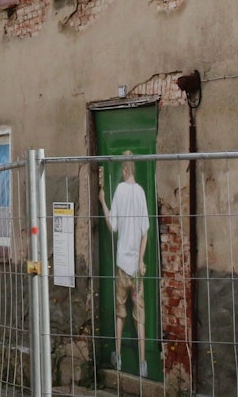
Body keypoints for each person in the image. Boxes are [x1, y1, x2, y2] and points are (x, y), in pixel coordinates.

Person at [98, 154, 151, 377]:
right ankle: (143, 361)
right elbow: (145, 231)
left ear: (126, 170)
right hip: (136, 269)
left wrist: (102, 202)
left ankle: (118, 356)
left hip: (122, 265)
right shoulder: (140, 192)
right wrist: (140, 261)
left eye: (122, 169)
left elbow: (113, 226)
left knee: (121, 311)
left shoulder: (119, 190)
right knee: (139, 314)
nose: (122, 172)